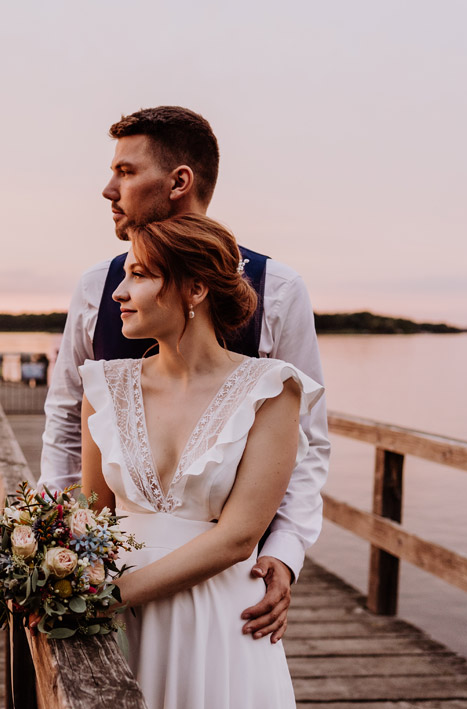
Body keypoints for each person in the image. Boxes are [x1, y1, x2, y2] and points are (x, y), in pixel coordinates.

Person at [40, 106, 329, 642]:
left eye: (126, 172)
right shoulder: (93, 288)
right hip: (110, 577)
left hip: (226, 595)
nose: (109, 189)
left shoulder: (280, 289)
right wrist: (56, 555)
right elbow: (63, 428)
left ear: (178, 182)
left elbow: (309, 444)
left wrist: (285, 553)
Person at [81, 213, 319, 709]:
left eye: (139, 275)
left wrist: (111, 597)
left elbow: (239, 537)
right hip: (117, 628)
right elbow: (88, 514)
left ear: (193, 289)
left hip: (219, 628)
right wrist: (65, 585)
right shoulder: (103, 386)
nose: (118, 291)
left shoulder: (272, 390)